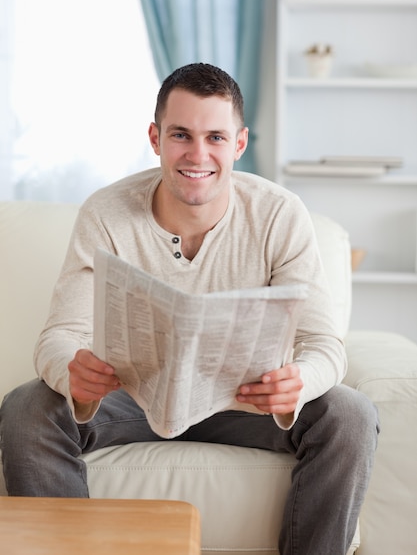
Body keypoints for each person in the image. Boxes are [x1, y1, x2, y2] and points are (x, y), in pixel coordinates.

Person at [0, 63, 378, 555]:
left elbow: (324, 344)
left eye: (215, 137)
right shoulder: (105, 214)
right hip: (133, 396)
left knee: (349, 413)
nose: (198, 155)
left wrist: (299, 381)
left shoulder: (279, 214)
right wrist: (70, 371)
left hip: (246, 400)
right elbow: (60, 334)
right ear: (156, 138)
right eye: (181, 134)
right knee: (27, 408)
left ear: (239, 144)